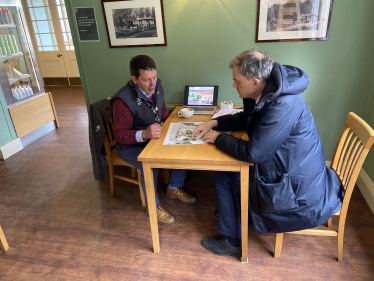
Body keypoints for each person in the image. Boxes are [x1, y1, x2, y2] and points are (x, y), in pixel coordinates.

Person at [192, 49, 342, 258]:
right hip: (296, 173)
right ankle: (236, 213)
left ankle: (233, 242)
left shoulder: (283, 105)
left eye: (237, 81)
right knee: (233, 174)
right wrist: (215, 122)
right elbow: (248, 117)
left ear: (254, 81)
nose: (233, 85)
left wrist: (217, 138)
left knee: (225, 178)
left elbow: (254, 154)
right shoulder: (272, 91)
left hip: (298, 193)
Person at [111, 55, 196, 225]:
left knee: (182, 148)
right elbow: (119, 135)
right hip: (130, 146)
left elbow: (162, 111)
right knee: (151, 164)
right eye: (147, 80)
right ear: (134, 79)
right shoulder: (122, 100)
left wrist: (172, 127)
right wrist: (144, 134)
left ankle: (173, 188)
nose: (153, 84)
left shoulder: (157, 87)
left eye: (154, 77)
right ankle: (152, 207)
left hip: (154, 138)